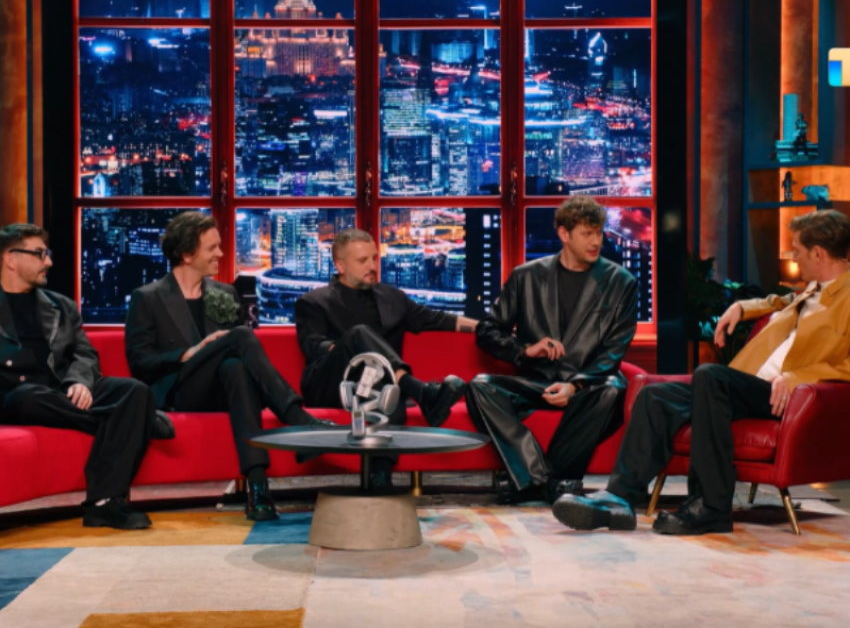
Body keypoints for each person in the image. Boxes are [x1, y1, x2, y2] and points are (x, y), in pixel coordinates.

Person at [554, 209, 850, 535]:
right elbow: (782, 302)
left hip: (787, 397)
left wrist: (796, 378)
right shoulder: (812, 290)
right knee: (655, 395)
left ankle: (711, 507)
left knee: (710, 375)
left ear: (818, 254)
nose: (794, 257)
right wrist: (742, 306)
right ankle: (619, 498)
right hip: (749, 388)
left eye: (797, 250)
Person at [125, 212, 333, 522]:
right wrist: (188, 354)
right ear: (187, 254)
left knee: (235, 368)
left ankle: (259, 490)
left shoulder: (224, 293)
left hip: (223, 388)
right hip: (180, 392)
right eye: (212, 248)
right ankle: (297, 418)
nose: (221, 254)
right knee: (241, 336)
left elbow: (243, 361)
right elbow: (140, 363)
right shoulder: (147, 298)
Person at [467, 197, 638, 504]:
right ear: (564, 234)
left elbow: (613, 351)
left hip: (588, 387)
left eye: (599, 233)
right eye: (587, 234)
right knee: (480, 386)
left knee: (612, 389)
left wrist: (575, 385)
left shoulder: (621, 282)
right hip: (538, 382)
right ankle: (546, 479)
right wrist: (525, 350)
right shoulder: (526, 276)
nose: (596, 242)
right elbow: (487, 330)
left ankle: (534, 482)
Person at [0, 223, 169, 530]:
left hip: (62, 391)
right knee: (27, 397)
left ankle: (102, 504)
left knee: (136, 391)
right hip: (16, 397)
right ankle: (137, 421)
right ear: (11, 259)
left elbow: (85, 354)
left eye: (47, 253)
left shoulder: (61, 306)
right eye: (39, 254)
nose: (49, 261)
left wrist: (79, 381)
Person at [294, 228, 478, 485]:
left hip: (381, 386)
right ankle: (420, 391)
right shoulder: (313, 301)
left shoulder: (392, 297)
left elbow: (437, 319)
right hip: (333, 386)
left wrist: (487, 328)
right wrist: (356, 350)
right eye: (362, 260)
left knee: (387, 389)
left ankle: (381, 478)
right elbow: (313, 346)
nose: (372, 266)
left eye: (373, 258)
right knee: (360, 335)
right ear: (340, 266)